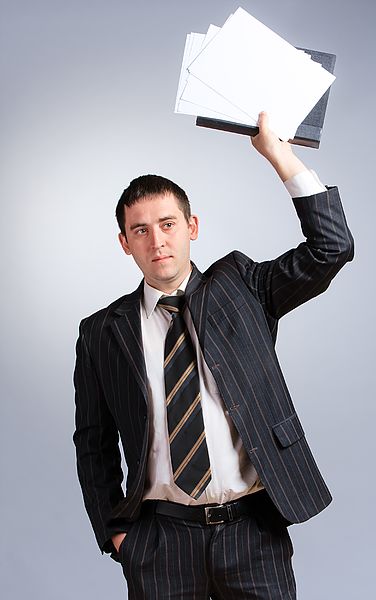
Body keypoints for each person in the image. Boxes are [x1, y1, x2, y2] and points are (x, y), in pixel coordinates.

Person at [73, 112, 354, 599]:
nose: (157, 241)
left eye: (167, 224)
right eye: (140, 230)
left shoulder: (241, 287)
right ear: (125, 243)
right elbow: (93, 443)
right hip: (160, 541)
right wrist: (115, 533)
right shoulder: (102, 332)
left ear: (192, 226)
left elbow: (331, 248)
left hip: (253, 533)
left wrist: (279, 155)